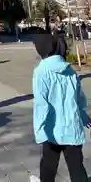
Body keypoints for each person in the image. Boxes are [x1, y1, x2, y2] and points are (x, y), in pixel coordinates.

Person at [30, 32, 90, 182]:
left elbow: (41, 105)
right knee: (76, 167)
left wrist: (39, 130)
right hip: (72, 127)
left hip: (51, 130)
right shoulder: (70, 70)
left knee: (49, 167)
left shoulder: (40, 72)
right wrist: (83, 116)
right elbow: (79, 99)